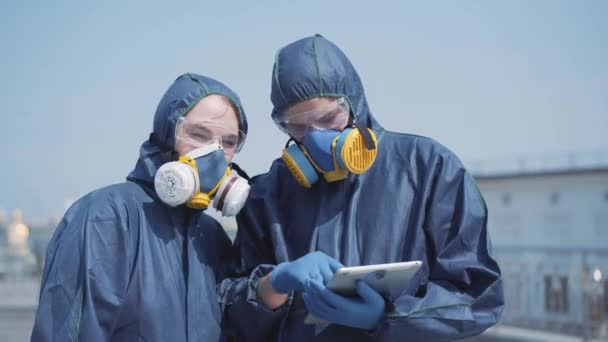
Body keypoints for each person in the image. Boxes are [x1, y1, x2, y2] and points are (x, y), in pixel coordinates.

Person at [219, 35, 504, 341]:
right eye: (298, 127)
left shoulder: (429, 168)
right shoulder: (268, 194)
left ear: (355, 104)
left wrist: (388, 317)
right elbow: (231, 312)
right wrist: (272, 285)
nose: (316, 139)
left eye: (329, 119)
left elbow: (478, 295)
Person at [31, 73, 251, 341]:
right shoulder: (106, 217)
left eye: (228, 142)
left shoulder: (212, 237)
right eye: (198, 134)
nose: (214, 155)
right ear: (165, 136)